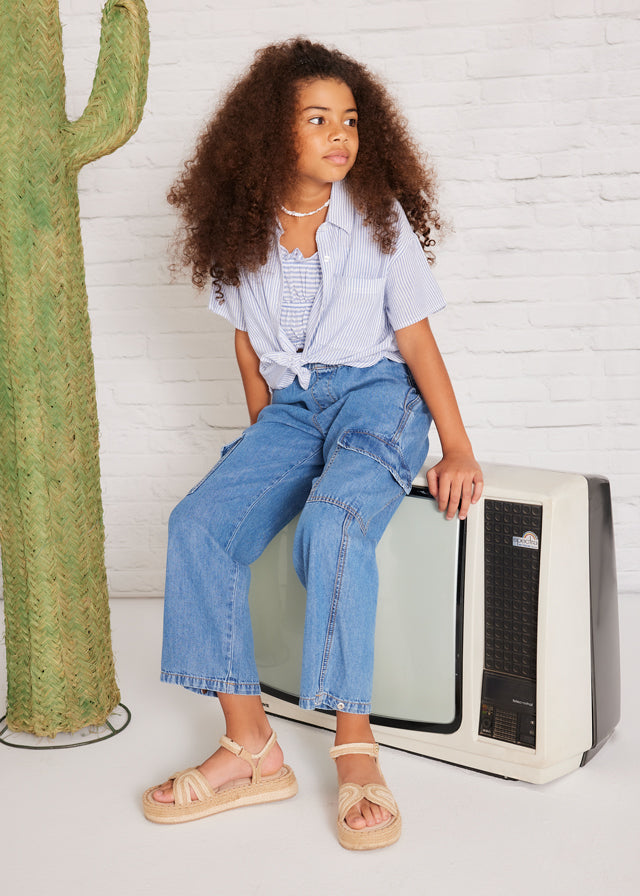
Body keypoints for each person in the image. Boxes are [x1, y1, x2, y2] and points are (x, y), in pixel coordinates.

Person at [142, 37, 483, 850]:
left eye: (351, 120)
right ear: (272, 132)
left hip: (377, 400)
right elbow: (246, 347)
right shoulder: (238, 230)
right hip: (291, 410)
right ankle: (250, 746)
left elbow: (415, 336)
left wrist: (458, 444)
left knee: (333, 524)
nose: (341, 135)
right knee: (197, 526)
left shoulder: (378, 219)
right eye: (319, 119)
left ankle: (354, 746)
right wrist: (265, 438)